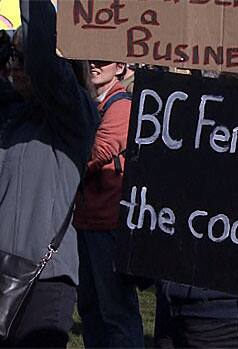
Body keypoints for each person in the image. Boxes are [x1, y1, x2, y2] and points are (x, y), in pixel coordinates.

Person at [0, 0, 99, 346]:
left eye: (20, 58)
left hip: (44, 283)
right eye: (13, 58)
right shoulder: (12, 113)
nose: (16, 67)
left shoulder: (74, 117)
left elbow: (44, 62)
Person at [72, 60, 144, 348]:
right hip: (86, 220)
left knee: (116, 312)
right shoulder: (89, 102)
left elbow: (94, 154)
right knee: (90, 310)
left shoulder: (122, 105)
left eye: (102, 60)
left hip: (108, 224)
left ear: (121, 66)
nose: (94, 65)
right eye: (89, 59)